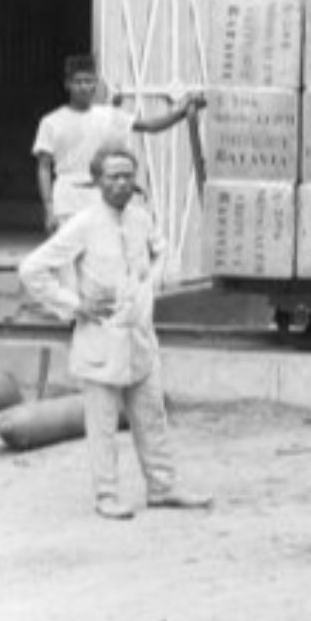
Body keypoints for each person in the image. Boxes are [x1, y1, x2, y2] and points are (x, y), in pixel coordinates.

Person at [17, 142, 212, 520]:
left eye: (127, 176)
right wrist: (75, 305)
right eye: (113, 177)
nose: (122, 183)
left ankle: (162, 486)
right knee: (103, 425)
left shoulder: (140, 217)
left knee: (152, 415)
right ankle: (106, 495)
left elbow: (161, 250)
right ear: (97, 181)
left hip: (140, 336)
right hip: (100, 338)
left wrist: (149, 288)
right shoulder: (83, 224)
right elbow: (32, 269)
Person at [33, 54, 202, 231]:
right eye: (78, 82)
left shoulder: (110, 116)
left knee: (103, 254)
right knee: (70, 256)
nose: (83, 87)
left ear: (96, 84)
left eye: (89, 81)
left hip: (101, 198)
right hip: (67, 201)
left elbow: (150, 125)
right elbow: (44, 167)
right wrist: (49, 208)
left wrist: (182, 112)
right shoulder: (51, 122)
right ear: (67, 84)